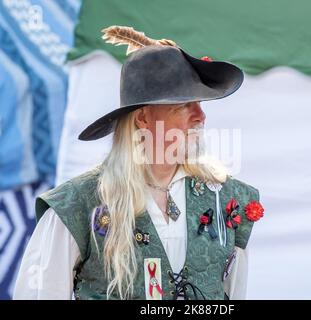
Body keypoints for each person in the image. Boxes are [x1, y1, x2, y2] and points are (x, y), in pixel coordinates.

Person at [13, 26, 264, 300]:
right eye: (183, 106)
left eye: (200, 103)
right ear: (143, 118)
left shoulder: (227, 201)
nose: (200, 116)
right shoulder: (76, 205)